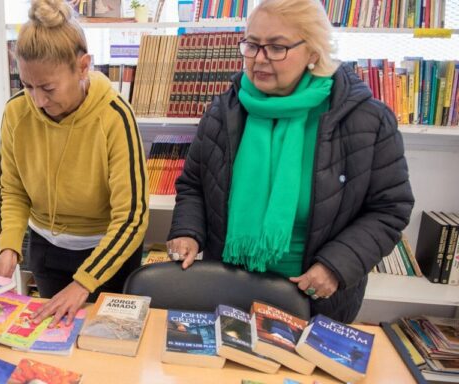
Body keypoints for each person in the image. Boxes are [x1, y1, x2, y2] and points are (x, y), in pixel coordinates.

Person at [166, 0, 414, 323]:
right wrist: (188, 232)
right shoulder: (223, 111)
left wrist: (336, 266)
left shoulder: (366, 120)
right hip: (227, 291)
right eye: (252, 45)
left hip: (315, 301)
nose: (259, 59)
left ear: (313, 52)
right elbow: (194, 185)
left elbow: (390, 208)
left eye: (276, 48)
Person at [0, 0, 148, 326]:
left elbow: (131, 217)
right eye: (27, 85)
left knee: (106, 351)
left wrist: (84, 282)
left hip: (108, 255)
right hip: (46, 250)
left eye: (48, 88)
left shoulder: (115, 116)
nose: (38, 101)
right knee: (55, 343)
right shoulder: (16, 112)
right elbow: (13, 190)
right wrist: (8, 249)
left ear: (83, 66)